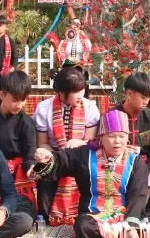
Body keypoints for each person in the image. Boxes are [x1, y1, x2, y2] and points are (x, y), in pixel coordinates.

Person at [33, 109, 150, 238]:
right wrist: (47, 158)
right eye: (111, 136)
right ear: (101, 137)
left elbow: (138, 195)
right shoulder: (86, 155)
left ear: (127, 138)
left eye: (122, 136)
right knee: (82, 226)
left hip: (125, 215)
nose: (117, 141)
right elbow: (62, 160)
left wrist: (130, 227)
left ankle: (123, 237)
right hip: (95, 217)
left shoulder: (136, 162)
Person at [33, 65, 100, 224]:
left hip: (81, 157)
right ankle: (49, 219)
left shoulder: (90, 108)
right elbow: (42, 143)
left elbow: (91, 142)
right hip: (54, 157)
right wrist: (51, 155)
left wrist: (80, 142)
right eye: (75, 93)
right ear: (62, 93)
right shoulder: (44, 109)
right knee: (44, 181)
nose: (80, 96)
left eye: (82, 91)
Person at [0, 71, 37, 218]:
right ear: (1, 95)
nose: (19, 105)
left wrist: (31, 170)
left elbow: (29, 154)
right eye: (15, 100)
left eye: (23, 100)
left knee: (24, 215)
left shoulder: (26, 123)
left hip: (14, 179)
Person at [114, 72, 150, 165]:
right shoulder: (112, 116)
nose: (146, 102)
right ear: (129, 94)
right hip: (117, 166)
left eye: (148, 98)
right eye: (143, 97)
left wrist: (141, 151)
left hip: (144, 168)